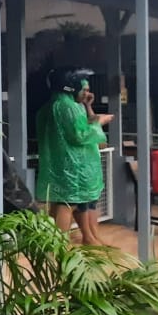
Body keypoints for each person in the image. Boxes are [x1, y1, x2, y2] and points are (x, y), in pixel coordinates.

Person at [35, 68, 114, 245]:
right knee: (66, 205)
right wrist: (99, 122)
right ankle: (60, 245)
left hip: (58, 166)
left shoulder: (49, 107)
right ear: (71, 86)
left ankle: (67, 242)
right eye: (83, 88)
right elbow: (80, 135)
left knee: (61, 205)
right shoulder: (68, 107)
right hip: (72, 167)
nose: (86, 93)